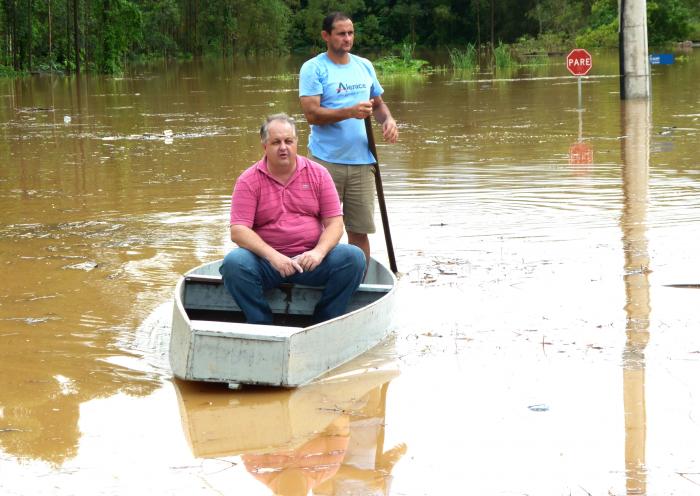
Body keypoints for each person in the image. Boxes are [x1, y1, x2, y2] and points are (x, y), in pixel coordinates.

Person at [219, 113, 366, 325]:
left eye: (288, 141)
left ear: (297, 143)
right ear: (265, 146)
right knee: (234, 264)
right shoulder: (248, 180)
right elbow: (239, 230)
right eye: (276, 142)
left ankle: (325, 321)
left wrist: (318, 252)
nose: (283, 147)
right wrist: (273, 257)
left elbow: (335, 223)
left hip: (310, 262)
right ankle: (261, 323)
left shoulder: (319, 174)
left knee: (353, 258)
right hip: (266, 264)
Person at [299, 11, 399, 265]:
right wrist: (348, 112)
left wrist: (388, 120)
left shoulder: (364, 65)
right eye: (341, 33)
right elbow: (312, 114)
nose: (347, 38)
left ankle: (357, 282)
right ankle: (316, 278)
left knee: (359, 230)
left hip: (363, 162)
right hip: (325, 162)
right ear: (326, 36)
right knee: (317, 229)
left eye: (350, 33)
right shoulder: (314, 68)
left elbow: (377, 105)